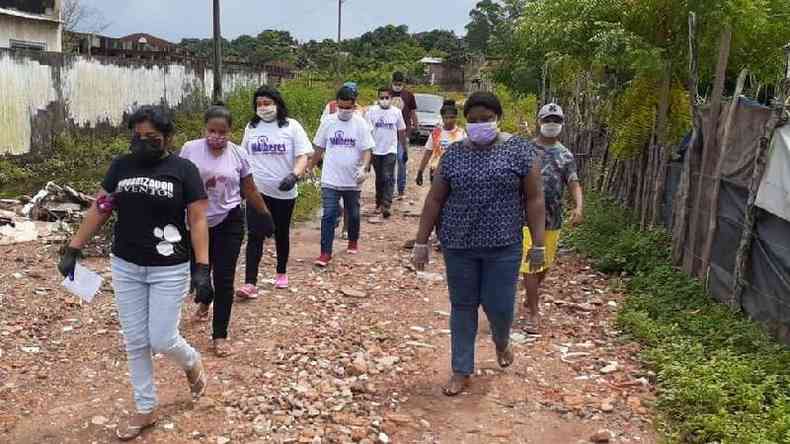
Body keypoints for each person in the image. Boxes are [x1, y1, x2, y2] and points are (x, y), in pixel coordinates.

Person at [58, 106, 209, 440]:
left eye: (151, 138)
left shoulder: (183, 170)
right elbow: (101, 207)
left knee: (162, 338)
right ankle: (145, 407)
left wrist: (202, 268)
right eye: (137, 137)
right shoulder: (121, 166)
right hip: (126, 263)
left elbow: (197, 220)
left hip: (169, 267)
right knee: (136, 340)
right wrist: (74, 247)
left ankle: (191, 361)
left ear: (167, 138)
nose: (143, 143)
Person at [412, 92, 546, 396]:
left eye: (485, 119)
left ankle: (501, 341)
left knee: (499, 307)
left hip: (504, 245)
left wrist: (538, 244)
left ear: (497, 118)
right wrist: (421, 242)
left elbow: (535, 199)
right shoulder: (454, 155)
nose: (479, 125)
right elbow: (435, 199)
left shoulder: (520, 152)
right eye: (472, 121)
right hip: (459, 245)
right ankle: (461, 369)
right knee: (462, 306)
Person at [179, 103, 274, 356]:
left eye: (222, 132)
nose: (217, 136)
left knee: (224, 278)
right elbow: (177, 182)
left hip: (229, 220)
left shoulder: (238, 154)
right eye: (212, 130)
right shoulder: (190, 149)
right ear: (204, 128)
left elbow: (249, 188)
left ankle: (219, 334)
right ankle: (204, 299)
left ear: (230, 131)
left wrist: (264, 214)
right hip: (195, 222)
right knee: (200, 274)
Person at [236, 86, 313, 296]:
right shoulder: (252, 127)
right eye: (259, 104)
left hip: (284, 191)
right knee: (255, 234)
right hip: (257, 191)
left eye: (267, 103)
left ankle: (281, 272)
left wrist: (294, 175)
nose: (263, 107)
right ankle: (250, 282)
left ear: (277, 104)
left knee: (280, 231)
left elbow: (303, 155)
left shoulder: (291, 126)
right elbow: (242, 156)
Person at [521, 103, 584, 334]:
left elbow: (574, 183)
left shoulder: (565, 155)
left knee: (545, 264)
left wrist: (579, 207)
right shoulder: (526, 150)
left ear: (562, 125)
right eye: (548, 120)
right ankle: (533, 314)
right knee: (530, 262)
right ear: (539, 121)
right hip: (525, 217)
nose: (551, 124)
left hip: (553, 217)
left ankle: (531, 294)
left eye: (556, 121)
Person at [308, 86, 375, 267]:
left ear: (354, 106)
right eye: (341, 107)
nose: (344, 111)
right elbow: (319, 148)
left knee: (353, 213)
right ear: (336, 104)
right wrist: (309, 167)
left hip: (352, 179)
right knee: (328, 214)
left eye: (348, 108)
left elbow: (367, 149)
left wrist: (365, 168)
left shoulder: (360, 124)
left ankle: (353, 240)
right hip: (330, 177)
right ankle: (325, 253)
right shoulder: (328, 122)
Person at [366, 87, 406, 219]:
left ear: (391, 98)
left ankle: (386, 205)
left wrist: (403, 148)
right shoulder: (371, 112)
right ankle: (378, 202)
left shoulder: (396, 112)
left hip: (391, 150)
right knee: (379, 178)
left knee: (388, 176)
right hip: (376, 150)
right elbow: (367, 132)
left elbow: (401, 131)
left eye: (386, 97)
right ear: (378, 99)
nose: (384, 100)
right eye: (381, 97)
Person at [416, 100, 466, 186]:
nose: (449, 121)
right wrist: (420, 171)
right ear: (442, 118)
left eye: (452, 117)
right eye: (446, 118)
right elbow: (428, 154)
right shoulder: (436, 133)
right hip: (436, 172)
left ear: (456, 117)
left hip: (456, 173)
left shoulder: (462, 134)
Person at [390, 72, 418, 199]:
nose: (397, 86)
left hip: (403, 133)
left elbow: (412, 112)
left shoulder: (409, 95)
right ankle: (389, 189)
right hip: (388, 134)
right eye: (395, 84)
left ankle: (401, 189)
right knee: (389, 163)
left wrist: (415, 126)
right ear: (392, 82)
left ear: (403, 83)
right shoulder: (386, 95)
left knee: (401, 160)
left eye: (399, 84)